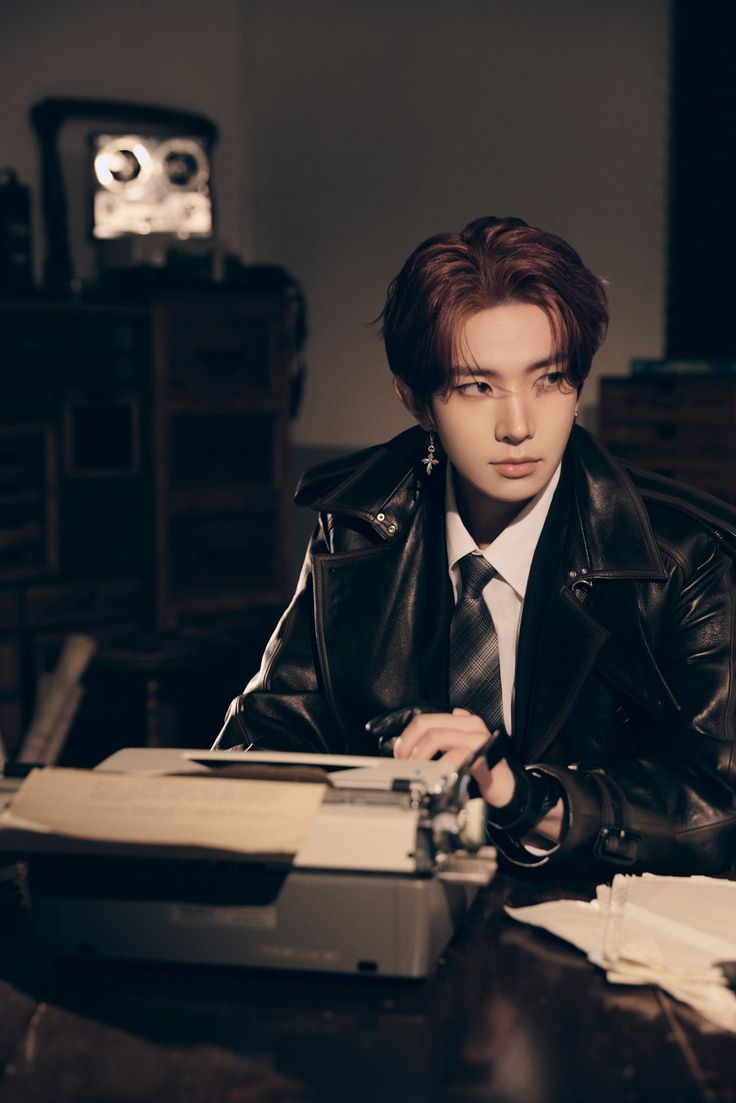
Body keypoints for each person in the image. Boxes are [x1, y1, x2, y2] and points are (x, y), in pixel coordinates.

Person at [214, 216, 736, 877]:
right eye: (477, 386)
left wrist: (526, 797)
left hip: (591, 921)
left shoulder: (681, 557)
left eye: (549, 379)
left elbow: (721, 808)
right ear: (417, 401)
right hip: (395, 905)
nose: (519, 426)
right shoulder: (361, 524)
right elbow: (264, 745)